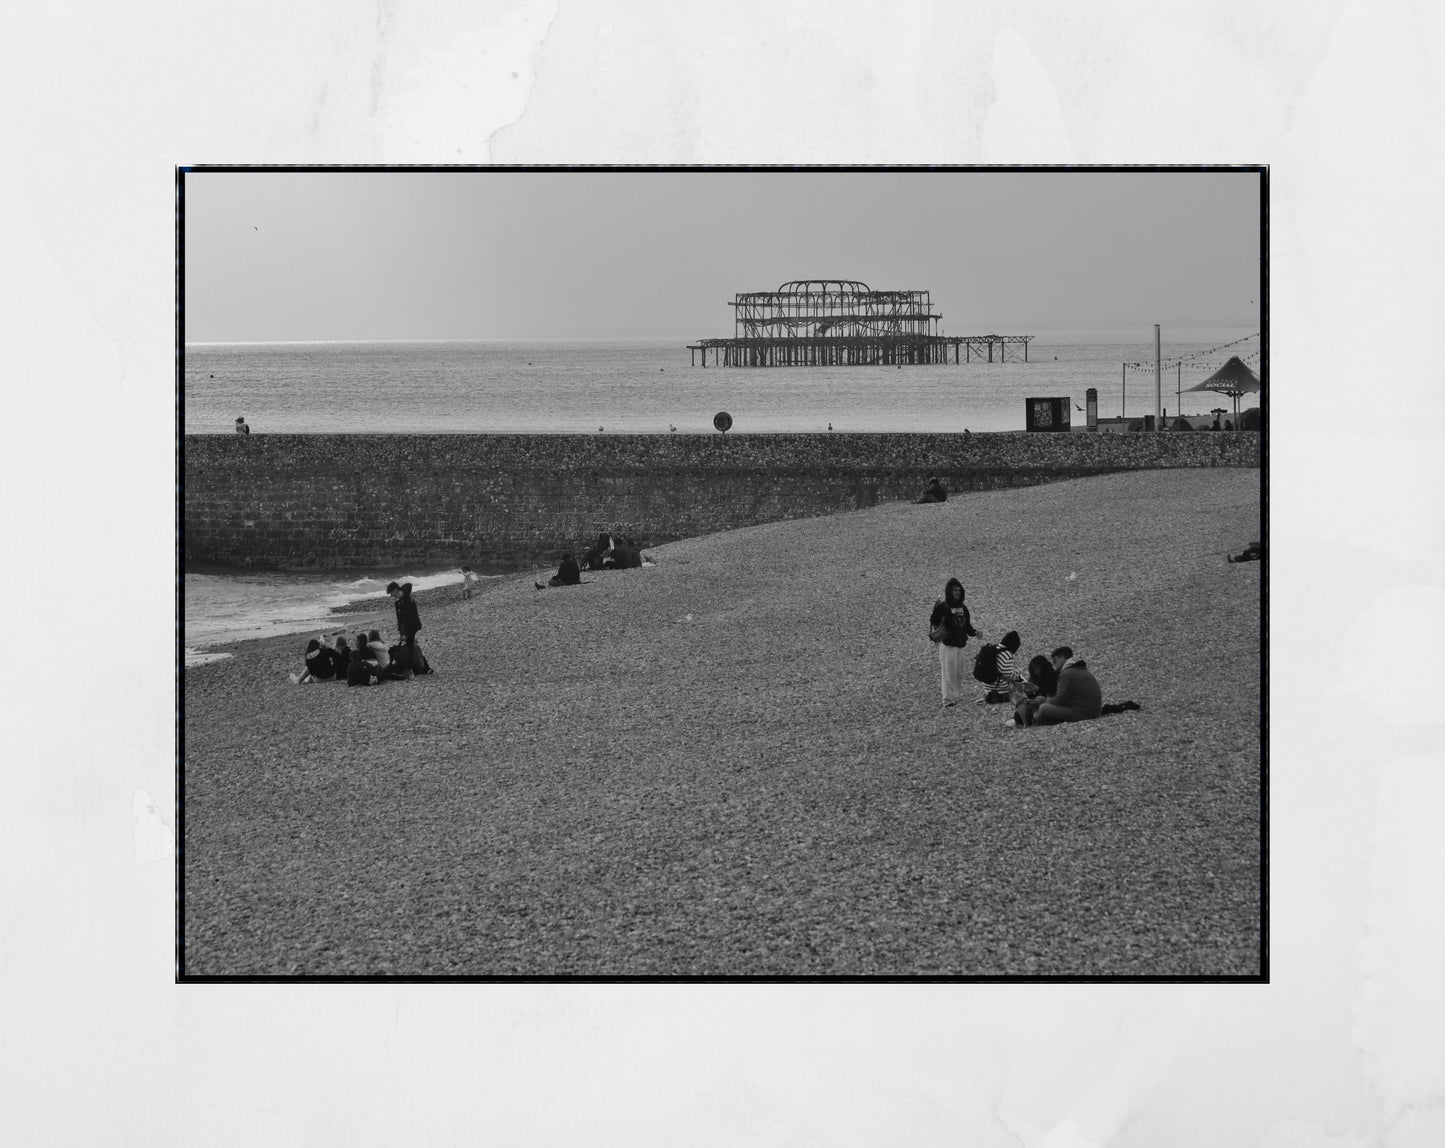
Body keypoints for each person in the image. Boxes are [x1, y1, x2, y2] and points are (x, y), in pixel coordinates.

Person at [1015, 646, 1103, 726]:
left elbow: (1059, 700)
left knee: (1043, 708)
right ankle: (1037, 718)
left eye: (1055, 660)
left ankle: (1036, 718)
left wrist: (1043, 700)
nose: (1054, 664)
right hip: (1093, 711)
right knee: (1040, 712)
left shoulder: (1067, 674)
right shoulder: (1079, 669)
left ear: (1063, 658)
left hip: (1084, 713)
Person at [928, 577, 979, 707]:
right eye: (955, 590)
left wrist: (975, 633)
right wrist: (937, 609)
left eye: (959, 590)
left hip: (960, 646)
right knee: (948, 674)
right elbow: (934, 620)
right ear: (949, 591)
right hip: (948, 646)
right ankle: (948, 700)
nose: (957, 592)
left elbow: (967, 626)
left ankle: (954, 697)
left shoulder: (963, 608)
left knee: (958, 674)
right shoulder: (944, 606)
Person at [982, 630, 1026, 702]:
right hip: (1000, 689)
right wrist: (1019, 672)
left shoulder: (994, 648)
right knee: (1022, 679)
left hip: (987, 687)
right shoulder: (1007, 654)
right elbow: (1009, 676)